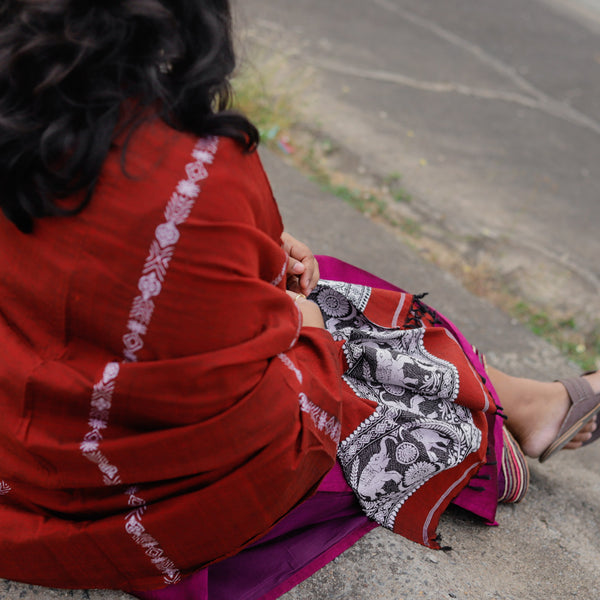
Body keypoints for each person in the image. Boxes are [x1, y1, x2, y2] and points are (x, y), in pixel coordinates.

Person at [0, 1, 598, 598]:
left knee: (322, 297)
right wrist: (297, 318)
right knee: (338, 319)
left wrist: (257, 251)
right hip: (119, 484)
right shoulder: (191, 174)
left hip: (15, 456)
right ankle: (507, 421)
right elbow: (248, 398)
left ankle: (527, 407)